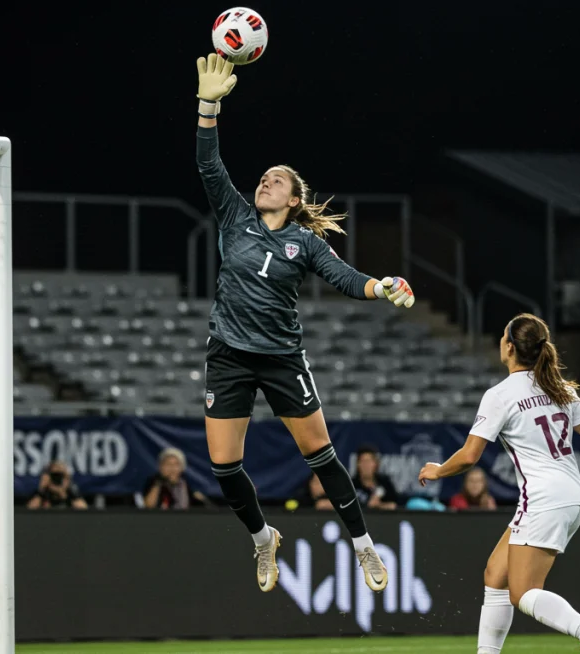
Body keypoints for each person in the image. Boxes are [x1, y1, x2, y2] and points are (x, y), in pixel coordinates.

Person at [195, 53, 416, 594]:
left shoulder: (306, 241)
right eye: (264, 176)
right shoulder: (234, 216)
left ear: (294, 201)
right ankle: (262, 537)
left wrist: (381, 286)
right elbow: (208, 164)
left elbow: (344, 278)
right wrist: (207, 106)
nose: (265, 180)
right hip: (228, 353)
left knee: (320, 456)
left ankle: (365, 547)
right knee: (224, 467)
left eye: (278, 180)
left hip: (280, 358)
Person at [418, 313, 580, 654]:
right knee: (496, 574)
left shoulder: (501, 394)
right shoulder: (558, 387)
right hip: (572, 494)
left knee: (523, 592)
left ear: (510, 346)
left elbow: (469, 456)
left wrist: (437, 470)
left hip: (542, 497)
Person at [142, 448, 208, 510]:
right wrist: (158, 483)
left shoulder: (186, 483)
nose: (172, 468)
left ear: (182, 468)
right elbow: (149, 506)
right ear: (161, 467)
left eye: (176, 464)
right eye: (168, 464)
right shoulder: (153, 482)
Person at [352, 446, 400, 510]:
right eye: (363, 461)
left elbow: (394, 505)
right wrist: (368, 506)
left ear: (375, 464)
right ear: (358, 464)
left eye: (369, 461)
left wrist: (379, 505)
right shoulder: (351, 485)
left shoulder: (384, 483)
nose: (366, 465)